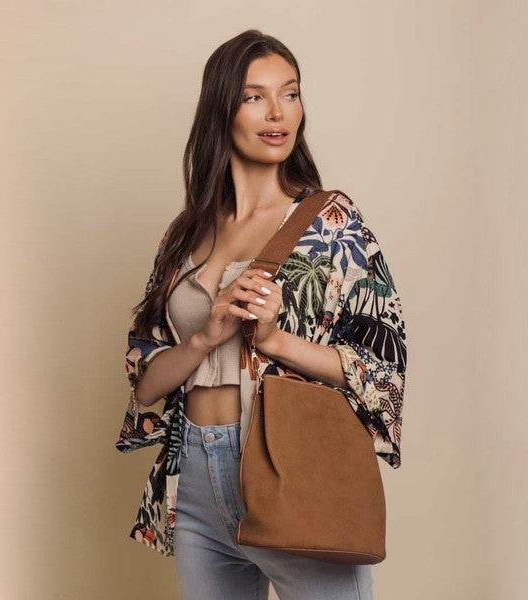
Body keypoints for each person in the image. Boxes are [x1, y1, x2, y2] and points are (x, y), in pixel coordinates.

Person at [117, 29, 407, 600]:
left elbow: (383, 371)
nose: (278, 113)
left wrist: (273, 339)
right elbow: (145, 383)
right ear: (221, 110)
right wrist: (203, 339)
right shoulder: (184, 237)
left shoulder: (332, 225)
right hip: (194, 483)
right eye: (255, 97)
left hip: (290, 469)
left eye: (290, 93)